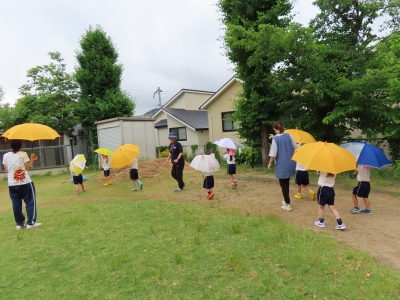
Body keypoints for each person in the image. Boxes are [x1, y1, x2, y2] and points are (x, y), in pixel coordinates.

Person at [2, 139, 42, 230]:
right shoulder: (23, 154)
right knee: (30, 202)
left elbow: (6, 170)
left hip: (12, 183)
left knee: (16, 203)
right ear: (21, 145)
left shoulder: (5, 156)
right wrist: (32, 159)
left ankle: (19, 224)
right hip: (25, 182)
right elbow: (27, 168)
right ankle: (30, 223)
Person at [268, 121, 298, 211]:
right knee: (286, 183)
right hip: (290, 163)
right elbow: (296, 147)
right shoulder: (289, 136)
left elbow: (273, 154)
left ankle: (287, 203)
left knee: (283, 184)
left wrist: (270, 163)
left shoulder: (275, 139)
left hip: (282, 164)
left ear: (274, 129)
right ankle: (285, 200)